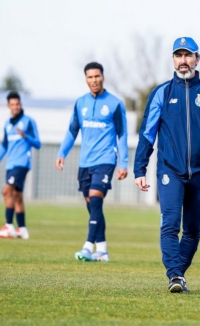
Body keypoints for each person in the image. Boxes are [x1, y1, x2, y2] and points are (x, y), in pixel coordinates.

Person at [134, 37, 200, 293]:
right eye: (178, 55)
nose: (183, 60)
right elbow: (147, 133)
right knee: (170, 224)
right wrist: (139, 168)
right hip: (170, 171)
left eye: (188, 55)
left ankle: (178, 276)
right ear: (173, 60)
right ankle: (175, 275)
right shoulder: (162, 93)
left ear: (197, 59)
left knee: (193, 231)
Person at [56, 62, 128, 262]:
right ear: (86, 79)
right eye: (90, 77)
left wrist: (123, 163)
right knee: (93, 207)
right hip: (85, 162)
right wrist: (62, 152)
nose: (94, 80)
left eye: (97, 76)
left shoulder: (115, 104)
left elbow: (122, 134)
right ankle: (102, 250)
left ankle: (88, 247)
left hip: (106, 159)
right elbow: (72, 131)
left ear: (103, 77)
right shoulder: (80, 103)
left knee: (96, 199)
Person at [0, 91, 42, 240]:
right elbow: (4, 145)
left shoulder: (29, 122)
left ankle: (9, 226)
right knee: (17, 196)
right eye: (12, 104)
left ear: (21, 104)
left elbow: (38, 144)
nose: (15, 107)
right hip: (10, 165)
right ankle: (22, 229)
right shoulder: (7, 124)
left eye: (17, 104)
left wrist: (26, 136)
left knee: (6, 191)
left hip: (22, 164)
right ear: (8, 106)